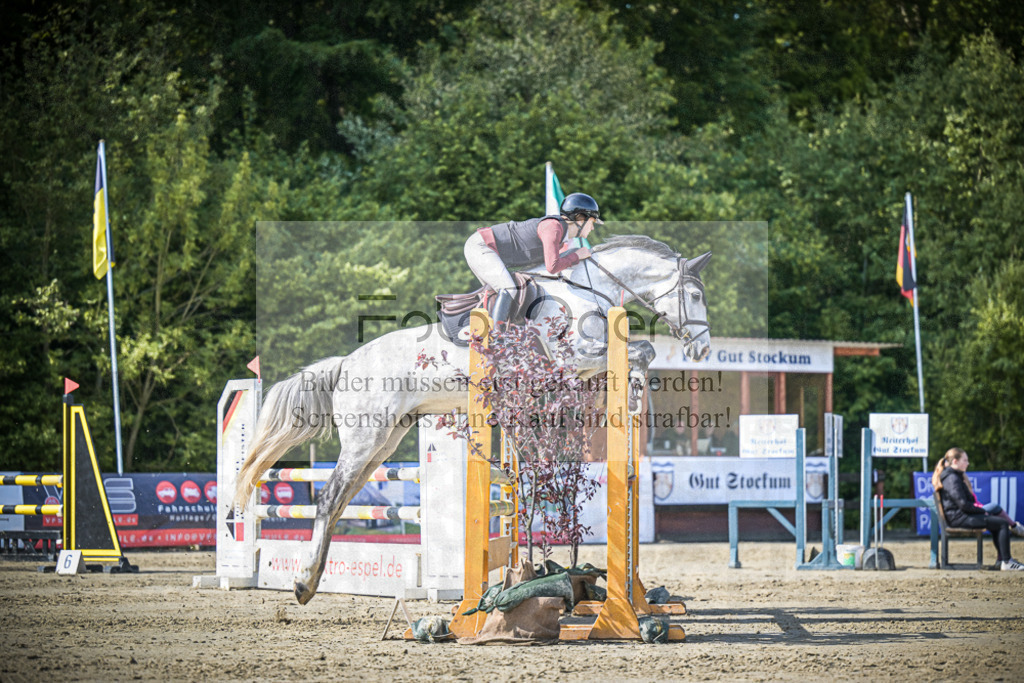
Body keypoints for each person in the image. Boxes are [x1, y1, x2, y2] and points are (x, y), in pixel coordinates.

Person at [463, 193, 600, 324]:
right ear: (580, 218)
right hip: (482, 246)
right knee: (509, 289)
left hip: (487, 247)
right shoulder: (553, 227)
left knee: (503, 295)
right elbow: (552, 267)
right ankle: (496, 335)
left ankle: (497, 328)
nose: (593, 228)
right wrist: (577, 255)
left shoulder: (559, 232)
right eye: (592, 222)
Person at [932, 447, 1024, 570]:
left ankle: (1002, 560)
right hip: (959, 518)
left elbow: (964, 503)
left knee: (997, 522)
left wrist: (982, 512)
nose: (968, 463)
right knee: (1002, 523)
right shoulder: (952, 478)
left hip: (959, 516)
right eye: (965, 460)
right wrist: (983, 511)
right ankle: (1007, 562)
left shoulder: (953, 476)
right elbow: (963, 504)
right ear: (955, 461)